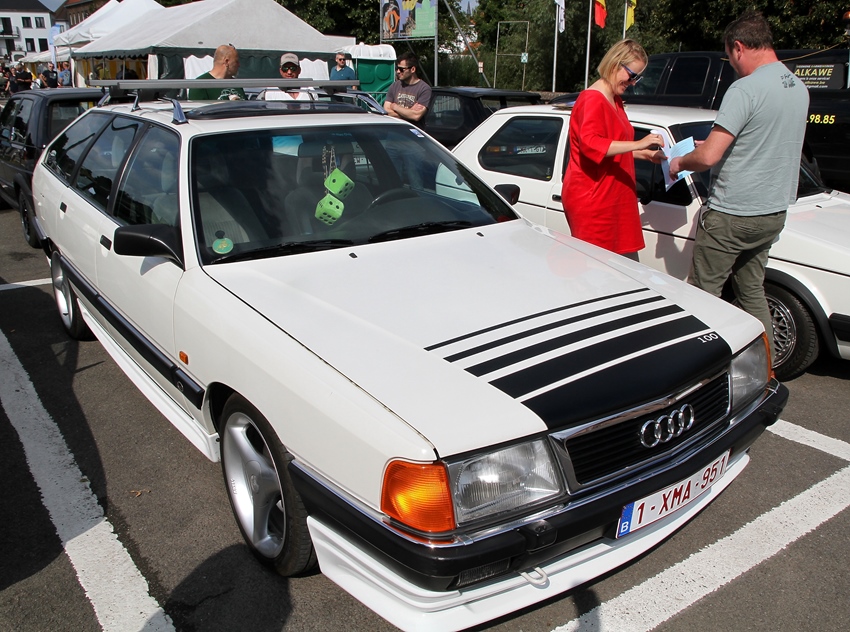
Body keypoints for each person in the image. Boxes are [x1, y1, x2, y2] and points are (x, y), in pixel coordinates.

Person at [669, 12, 809, 358]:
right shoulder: (797, 87)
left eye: (729, 56)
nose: (732, 64)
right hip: (773, 210)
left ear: (738, 47)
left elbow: (708, 158)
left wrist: (679, 162)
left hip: (733, 213)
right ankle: (766, 364)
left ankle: (703, 368)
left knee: (703, 296)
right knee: (751, 291)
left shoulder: (745, 88)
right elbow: (763, 140)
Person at [561, 39, 665, 259]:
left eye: (637, 77)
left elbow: (612, 147)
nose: (633, 83)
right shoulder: (592, 99)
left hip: (613, 198)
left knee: (622, 268)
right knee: (600, 269)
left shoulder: (614, 100)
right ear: (616, 64)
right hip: (595, 200)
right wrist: (639, 143)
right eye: (632, 75)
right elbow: (591, 145)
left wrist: (644, 155)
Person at [384, 52, 431, 127]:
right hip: (394, 131)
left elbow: (416, 116)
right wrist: (410, 112)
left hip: (413, 132)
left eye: (401, 69)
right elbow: (386, 111)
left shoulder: (424, 89)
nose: (398, 72)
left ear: (412, 69)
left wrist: (395, 107)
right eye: (397, 68)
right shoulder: (394, 86)